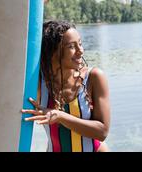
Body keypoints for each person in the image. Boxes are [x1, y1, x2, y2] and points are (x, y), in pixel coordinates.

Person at [21, 21, 110, 152]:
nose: (81, 51)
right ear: (53, 52)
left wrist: (60, 116)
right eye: (71, 46)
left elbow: (102, 132)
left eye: (80, 43)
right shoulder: (38, 82)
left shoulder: (93, 77)